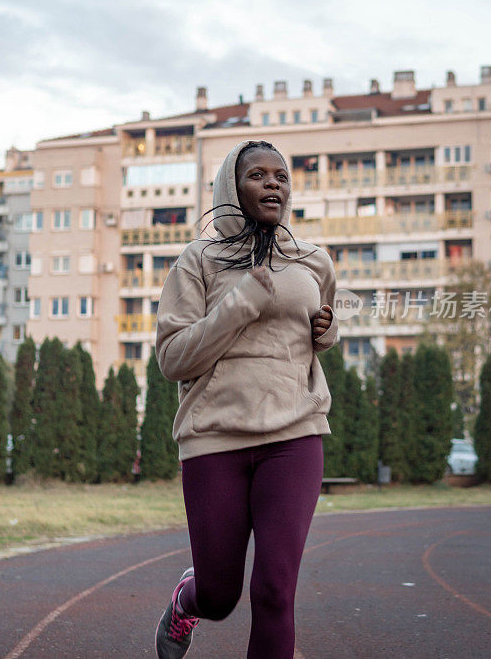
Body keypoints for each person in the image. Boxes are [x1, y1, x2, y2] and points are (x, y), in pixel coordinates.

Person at [153, 140, 338, 658]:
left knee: (275, 592)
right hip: (215, 439)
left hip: (294, 437)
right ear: (230, 188)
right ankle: (187, 601)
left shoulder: (313, 261)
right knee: (220, 594)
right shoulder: (198, 261)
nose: (274, 183)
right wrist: (239, 305)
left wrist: (325, 331)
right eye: (258, 174)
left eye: (281, 175)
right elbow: (173, 358)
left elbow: (309, 333)